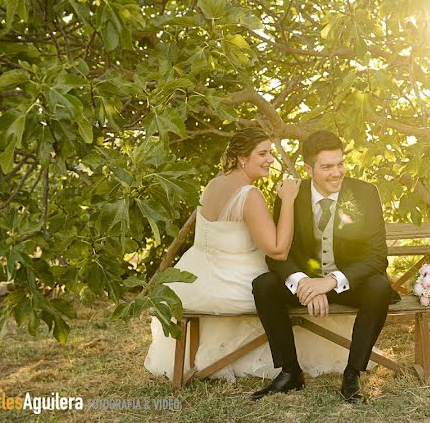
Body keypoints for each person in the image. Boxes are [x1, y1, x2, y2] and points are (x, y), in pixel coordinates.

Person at [144, 126, 358, 381]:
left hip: (197, 280)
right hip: (232, 283)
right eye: (262, 154)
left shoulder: (213, 185)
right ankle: (295, 360)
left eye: (270, 153)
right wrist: (288, 199)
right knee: (285, 287)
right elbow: (278, 251)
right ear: (242, 158)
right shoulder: (249, 195)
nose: (270, 159)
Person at [250, 130, 400, 403]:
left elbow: (377, 257)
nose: (337, 172)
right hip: (307, 283)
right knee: (264, 285)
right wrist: (304, 283)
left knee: (379, 286)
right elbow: (276, 255)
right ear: (308, 169)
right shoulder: (290, 195)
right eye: (327, 167)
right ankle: (290, 372)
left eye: (340, 163)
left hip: (348, 283)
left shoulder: (366, 193)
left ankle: (352, 374)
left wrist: (329, 282)